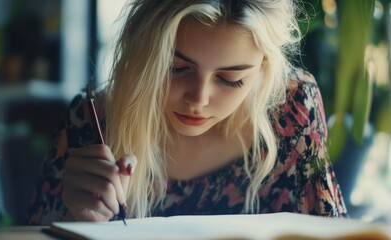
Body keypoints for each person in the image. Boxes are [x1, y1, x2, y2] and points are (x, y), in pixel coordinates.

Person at [28, 0, 347, 225]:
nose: (199, 98)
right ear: (144, 54)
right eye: (176, 68)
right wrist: (76, 221)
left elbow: (333, 231)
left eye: (230, 79)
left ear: (262, 69)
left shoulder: (292, 109)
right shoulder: (90, 121)